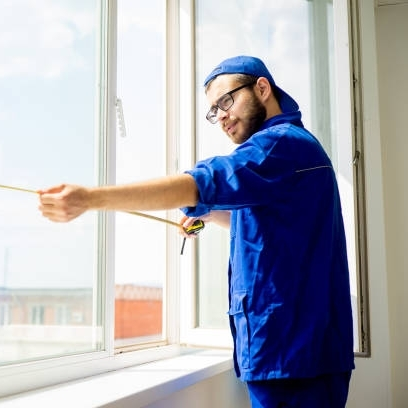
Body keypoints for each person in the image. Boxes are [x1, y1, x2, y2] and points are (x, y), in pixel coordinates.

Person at [38, 55, 355, 407]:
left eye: (226, 101)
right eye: (213, 111)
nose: (220, 116)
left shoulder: (280, 145)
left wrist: (89, 198)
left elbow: (204, 182)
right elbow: (267, 224)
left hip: (295, 359)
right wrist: (208, 216)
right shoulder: (292, 152)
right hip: (292, 356)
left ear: (262, 88)